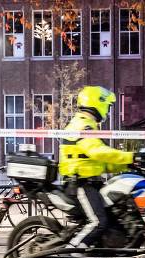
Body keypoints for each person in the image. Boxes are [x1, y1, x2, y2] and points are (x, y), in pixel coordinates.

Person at [59, 86, 134, 249]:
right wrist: (130, 156)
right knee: (98, 222)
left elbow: (101, 162)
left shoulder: (89, 125)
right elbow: (97, 151)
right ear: (96, 102)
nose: (107, 110)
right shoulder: (81, 125)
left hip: (91, 182)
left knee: (114, 215)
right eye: (106, 105)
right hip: (80, 185)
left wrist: (129, 164)